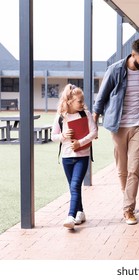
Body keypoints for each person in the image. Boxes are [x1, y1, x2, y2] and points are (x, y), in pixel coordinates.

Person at [93, 39, 139, 225]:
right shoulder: (115, 70)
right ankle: (128, 198)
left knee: (134, 169)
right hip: (118, 126)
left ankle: (128, 209)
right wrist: (93, 124)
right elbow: (101, 99)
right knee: (122, 170)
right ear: (133, 55)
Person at [51, 84, 98, 230]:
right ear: (70, 101)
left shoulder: (86, 114)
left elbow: (94, 133)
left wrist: (80, 143)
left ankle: (70, 216)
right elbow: (53, 136)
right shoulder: (61, 117)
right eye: (79, 101)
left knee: (75, 185)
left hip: (82, 156)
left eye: (83, 100)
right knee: (73, 187)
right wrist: (63, 136)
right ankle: (80, 212)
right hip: (66, 157)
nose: (83, 103)